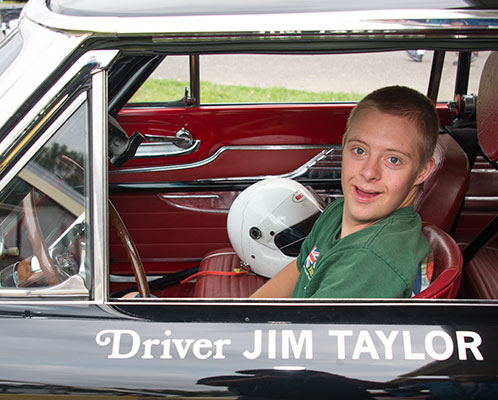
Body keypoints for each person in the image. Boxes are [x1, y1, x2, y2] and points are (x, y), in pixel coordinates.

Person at [251, 85, 438, 298]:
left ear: (422, 171)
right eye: (359, 150)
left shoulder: (369, 261)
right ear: (344, 145)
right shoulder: (339, 211)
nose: (369, 172)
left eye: (393, 160)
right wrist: (243, 313)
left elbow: (311, 330)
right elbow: (300, 268)